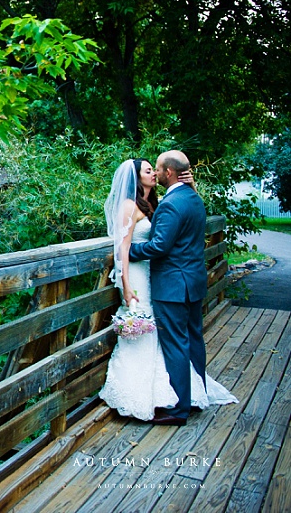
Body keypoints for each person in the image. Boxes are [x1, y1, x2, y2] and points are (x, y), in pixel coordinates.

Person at [99, 157, 237, 423]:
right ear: (136, 178)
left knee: (174, 342)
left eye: (157, 169)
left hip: (170, 282)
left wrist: (132, 251)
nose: (155, 173)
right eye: (148, 170)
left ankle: (180, 406)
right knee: (189, 338)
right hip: (172, 280)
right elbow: (123, 244)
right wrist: (126, 277)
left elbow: (158, 246)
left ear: (169, 172)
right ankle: (192, 394)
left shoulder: (165, 204)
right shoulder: (191, 199)